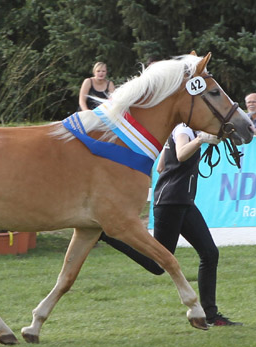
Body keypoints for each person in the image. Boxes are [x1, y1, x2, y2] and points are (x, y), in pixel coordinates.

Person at [100, 123, 243, 327]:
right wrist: (200, 140)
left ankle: (211, 315)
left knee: (210, 253)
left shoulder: (185, 130)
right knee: (158, 265)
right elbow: (182, 154)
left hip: (182, 202)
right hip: (170, 203)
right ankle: (108, 235)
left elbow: (160, 166)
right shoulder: (183, 129)